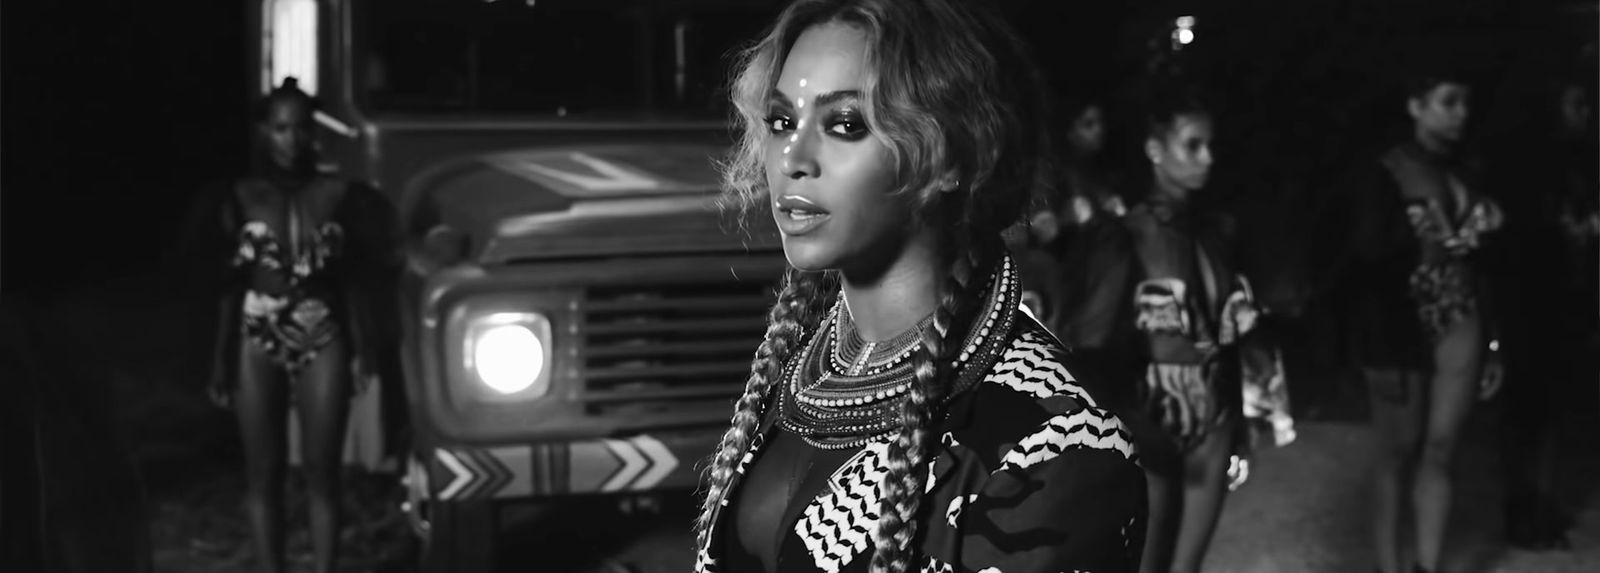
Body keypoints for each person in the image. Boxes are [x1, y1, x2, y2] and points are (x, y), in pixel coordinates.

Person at [692, 1, 1147, 572]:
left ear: (951, 154)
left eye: (846, 125)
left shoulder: (1060, 442)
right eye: (783, 121)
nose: (793, 158)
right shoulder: (802, 365)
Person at [1060, 88, 1294, 573]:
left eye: (1210, 145)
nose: (1207, 157)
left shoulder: (1218, 232)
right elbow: (1090, 345)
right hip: (1148, 423)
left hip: (1217, 417)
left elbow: (1235, 333)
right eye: (1192, 144)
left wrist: (1245, 423)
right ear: (1155, 149)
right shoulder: (1122, 233)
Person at [181, 78, 395, 573]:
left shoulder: (341, 195)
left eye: (300, 129)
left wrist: (364, 346)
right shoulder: (238, 195)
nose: (291, 139)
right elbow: (227, 287)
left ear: (313, 133)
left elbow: (357, 278)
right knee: (264, 473)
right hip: (257, 333)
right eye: (281, 129)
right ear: (264, 132)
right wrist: (218, 360)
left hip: (323, 331)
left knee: (323, 472)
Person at [1340, 73, 1504, 573]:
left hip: (1461, 312)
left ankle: (1426, 567)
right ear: (1415, 105)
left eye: (1465, 103)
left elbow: (1484, 266)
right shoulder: (1385, 171)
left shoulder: (1470, 169)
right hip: (1399, 320)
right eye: (1448, 102)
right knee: (1397, 451)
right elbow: (1363, 257)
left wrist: (1495, 342)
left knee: (1440, 450)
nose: (1460, 114)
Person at [1487, 71, 1596, 551]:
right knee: (1525, 410)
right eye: (1577, 105)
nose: (1586, 114)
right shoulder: (1528, 166)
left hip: (1565, 298)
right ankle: (1521, 505)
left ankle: (1540, 501)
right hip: (1529, 298)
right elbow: (1519, 237)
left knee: (1550, 408)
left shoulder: (1580, 160)